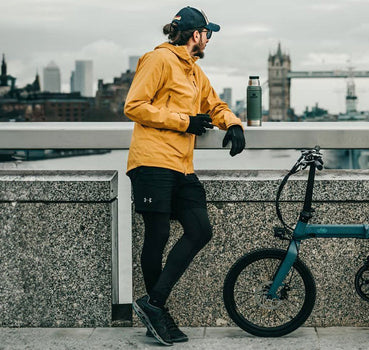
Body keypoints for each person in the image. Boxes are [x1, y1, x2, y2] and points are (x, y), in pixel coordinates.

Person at [124, 6, 245, 346]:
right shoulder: (157, 60)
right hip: (152, 161)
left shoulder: (193, 71)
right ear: (196, 35)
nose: (209, 39)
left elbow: (214, 105)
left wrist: (232, 123)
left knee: (199, 229)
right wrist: (184, 122)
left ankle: (153, 304)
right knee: (158, 235)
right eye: (208, 34)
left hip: (181, 166)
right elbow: (134, 105)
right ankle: (157, 317)